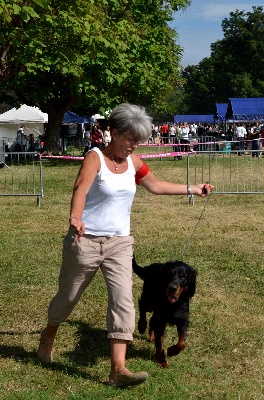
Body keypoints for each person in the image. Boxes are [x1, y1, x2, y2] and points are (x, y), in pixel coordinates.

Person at [37, 103, 213, 388]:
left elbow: (155, 185)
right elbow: (80, 188)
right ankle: (48, 335)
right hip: (86, 241)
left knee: (123, 301)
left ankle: (118, 368)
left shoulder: (134, 162)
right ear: (114, 132)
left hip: (120, 243)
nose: (134, 145)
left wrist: (192, 189)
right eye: (130, 139)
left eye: (138, 140)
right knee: (67, 298)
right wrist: (75, 217)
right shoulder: (94, 158)